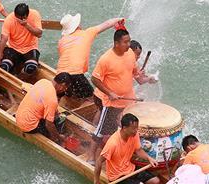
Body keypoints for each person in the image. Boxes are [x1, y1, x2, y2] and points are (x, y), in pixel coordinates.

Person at [90, 28, 140, 157]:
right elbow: (94, 79)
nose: (129, 45)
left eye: (129, 41)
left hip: (128, 101)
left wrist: (148, 79)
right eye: (125, 42)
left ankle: (126, 152)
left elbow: (136, 74)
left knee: (127, 128)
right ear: (116, 43)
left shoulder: (130, 54)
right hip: (112, 104)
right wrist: (110, 92)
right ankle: (90, 156)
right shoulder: (106, 59)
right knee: (100, 132)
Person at [55, 14, 124, 102]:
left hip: (59, 75)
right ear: (78, 25)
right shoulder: (86, 33)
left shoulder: (62, 41)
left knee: (71, 94)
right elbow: (107, 24)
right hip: (75, 74)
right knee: (92, 100)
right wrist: (118, 19)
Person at [92, 113, 160, 184]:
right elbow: (99, 161)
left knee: (155, 181)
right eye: (133, 128)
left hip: (130, 168)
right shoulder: (113, 143)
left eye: (137, 127)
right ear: (124, 128)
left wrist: (149, 159)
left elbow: (138, 150)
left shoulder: (134, 134)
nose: (136, 130)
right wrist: (96, 181)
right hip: (117, 176)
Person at [14, 74, 71, 143]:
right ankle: (58, 141)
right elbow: (48, 124)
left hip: (19, 117)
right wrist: (58, 137)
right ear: (62, 85)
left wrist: (56, 114)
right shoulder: (52, 99)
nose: (65, 90)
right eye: (66, 87)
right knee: (58, 126)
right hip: (29, 126)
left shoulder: (43, 81)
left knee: (58, 118)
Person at [0, 3, 43, 76]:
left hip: (30, 48)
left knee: (31, 68)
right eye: (16, 17)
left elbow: (39, 34)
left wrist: (26, 25)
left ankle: (20, 77)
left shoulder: (35, 14)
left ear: (26, 16)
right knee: (4, 67)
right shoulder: (9, 19)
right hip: (13, 48)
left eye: (19, 18)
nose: (17, 19)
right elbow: (3, 39)